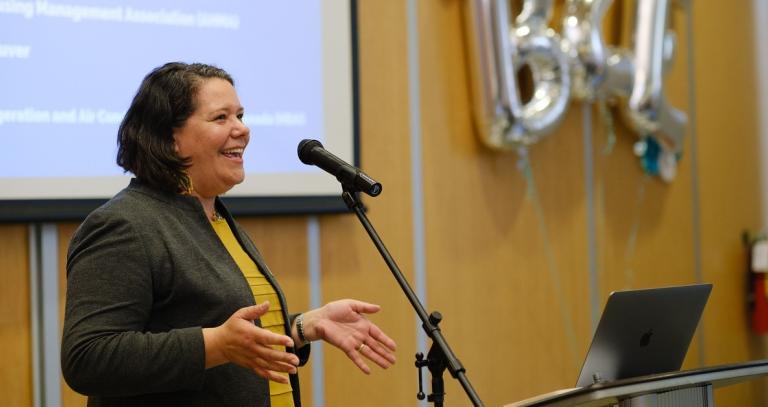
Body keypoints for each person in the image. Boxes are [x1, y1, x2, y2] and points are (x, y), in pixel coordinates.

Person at [61, 62, 397, 407]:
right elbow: (87, 357)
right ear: (170, 138)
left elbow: (222, 334)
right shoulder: (125, 225)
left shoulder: (215, 218)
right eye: (221, 118)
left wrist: (299, 327)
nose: (243, 130)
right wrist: (215, 345)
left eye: (240, 115)